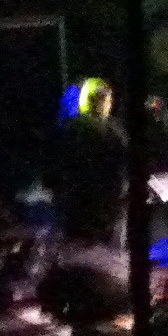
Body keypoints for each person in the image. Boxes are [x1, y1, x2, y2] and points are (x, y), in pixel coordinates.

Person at [54, 78, 130, 245]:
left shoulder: (72, 127)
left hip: (83, 204)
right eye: (105, 100)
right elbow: (122, 156)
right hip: (102, 203)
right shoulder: (106, 130)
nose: (108, 105)